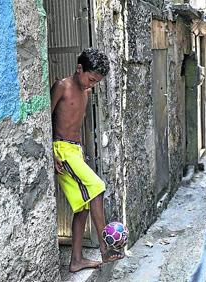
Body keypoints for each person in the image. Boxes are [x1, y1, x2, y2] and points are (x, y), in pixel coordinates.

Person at [51, 48, 124, 273]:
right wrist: (51, 152)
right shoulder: (62, 86)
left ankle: (76, 260)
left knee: (82, 208)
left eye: (96, 82)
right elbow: (45, 120)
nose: (91, 84)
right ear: (79, 68)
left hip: (75, 151)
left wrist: (80, 151)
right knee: (97, 187)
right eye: (91, 79)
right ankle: (105, 247)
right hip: (62, 150)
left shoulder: (86, 91)